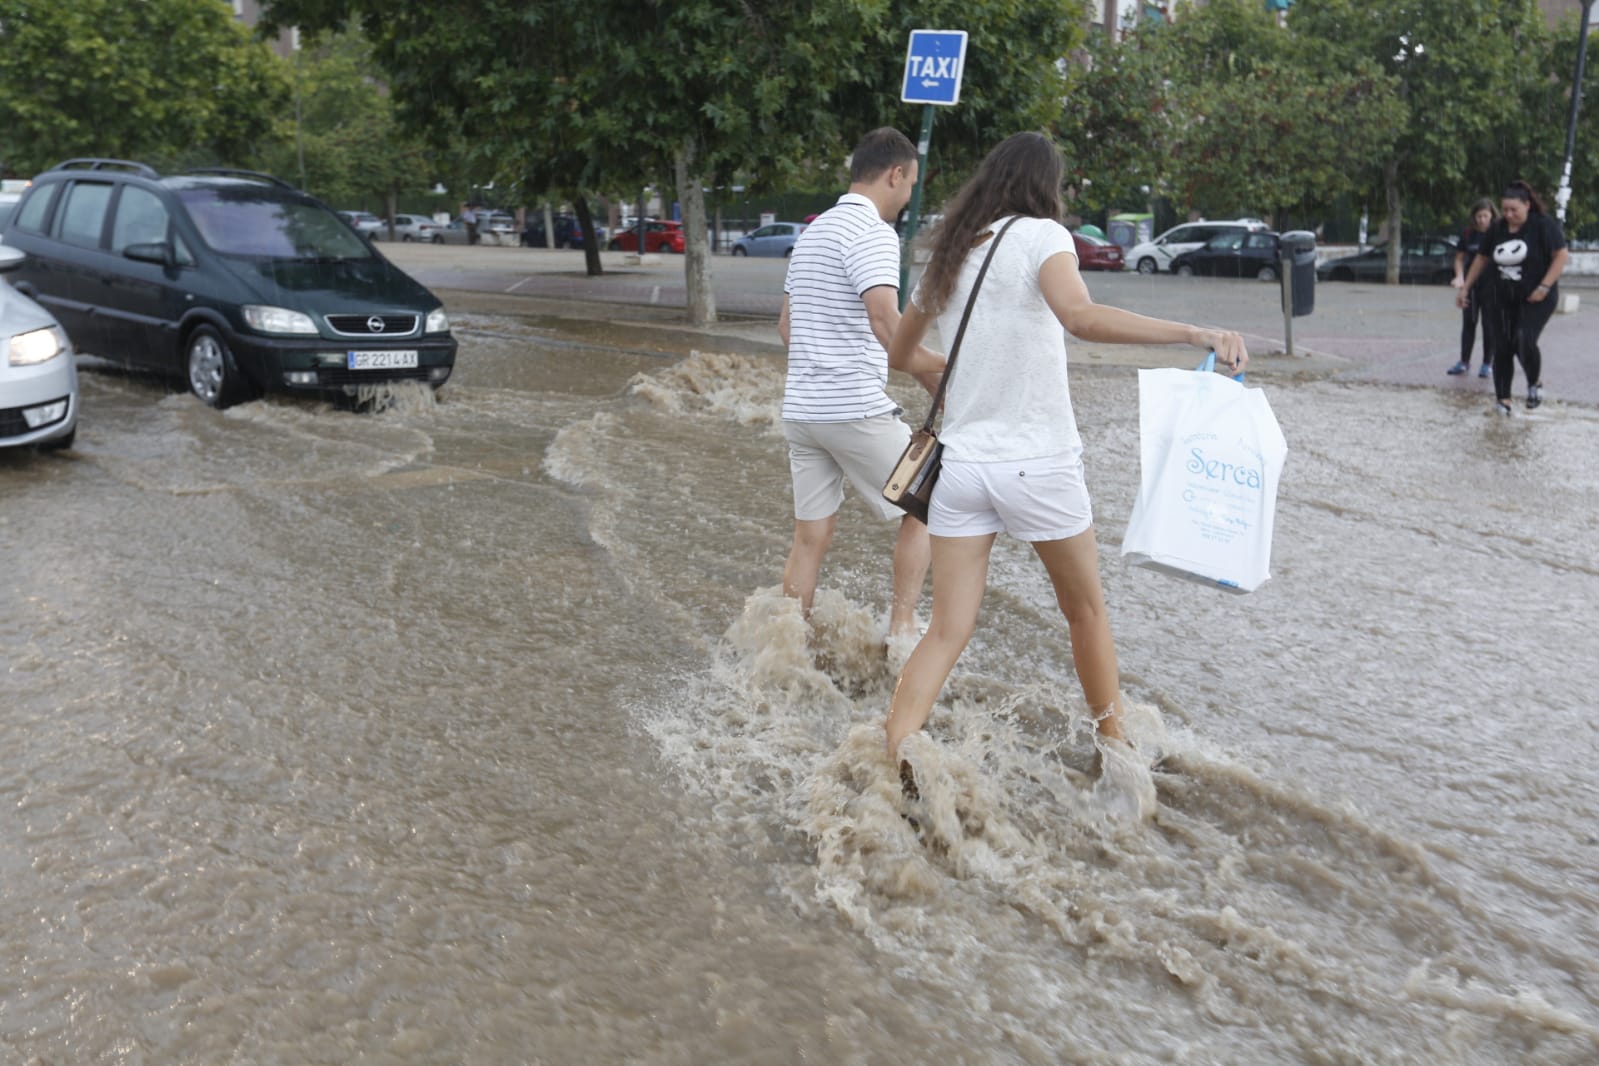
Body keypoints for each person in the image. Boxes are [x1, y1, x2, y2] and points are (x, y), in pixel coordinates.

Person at [881, 131, 1247, 767]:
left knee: (946, 630)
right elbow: (1079, 316)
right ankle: (1117, 758)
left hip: (962, 470)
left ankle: (893, 757)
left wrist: (966, 373)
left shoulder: (951, 252)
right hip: (1038, 466)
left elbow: (901, 355)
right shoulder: (1044, 236)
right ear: (1045, 186)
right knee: (1085, 615)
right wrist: (1193, 332)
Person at [777, 127, 945, 644]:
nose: (907, 196)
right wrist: (952, 372)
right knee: (932, 502)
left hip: (803, 412)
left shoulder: (815, 232)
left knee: (811, 538)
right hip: (852, 407)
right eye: (910, 184)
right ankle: (901, 630)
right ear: (895, 173)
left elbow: (786, 327)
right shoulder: (872, 233)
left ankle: (787, 645)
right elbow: (886, 323)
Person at [1456, 180, 1568, 415]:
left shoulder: (1543, 226)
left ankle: (1534, 383)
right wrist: (1465, 287)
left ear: (1527, 205)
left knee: (1523, 339)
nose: (1508, 214)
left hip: (1537, 297)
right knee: (1503, 346)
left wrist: (1545, 286)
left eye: (1513, 210)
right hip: (1501, 296)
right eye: (1504, 209)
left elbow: (1560, 255)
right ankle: (1503, 401)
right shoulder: (1497, 228)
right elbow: (1482, 259)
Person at [1448, 198, 1498, 378]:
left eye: (1485, 216)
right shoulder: (1469, 234)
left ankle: (1487, 363)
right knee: (1469, 322)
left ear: (1492, 215)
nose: (1482, 220)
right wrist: (1459, 276)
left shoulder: (1498, 232)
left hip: (1492, 285)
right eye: (1478, 216)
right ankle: (1464, 362)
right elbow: (1459, 258)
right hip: (1471, 285)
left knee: (1489, 325)